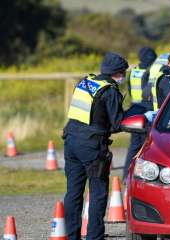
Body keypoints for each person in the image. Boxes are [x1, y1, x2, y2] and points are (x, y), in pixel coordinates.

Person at [63, 52, 128, 240]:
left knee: (73, 193)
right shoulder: (110, 90)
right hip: (92, 147)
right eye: (123, 73)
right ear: (118, 73)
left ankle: (72, 235)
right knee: (98, 193)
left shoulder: (85, 82)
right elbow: (117, 124)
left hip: (71, 141)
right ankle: (94, 236)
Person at [123, 47, 157, 182]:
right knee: (147, 146)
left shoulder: (134, 71)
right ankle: (141, 177)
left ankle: (126, 175)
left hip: (135, 109)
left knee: (133, 145)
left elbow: (131, 90)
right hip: (147, 109)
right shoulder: (151, 72)